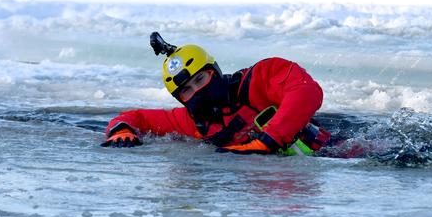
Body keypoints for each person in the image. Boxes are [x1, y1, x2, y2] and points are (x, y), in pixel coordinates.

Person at [101, 32, 331, 155]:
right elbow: (135, 118)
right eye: (187, 91)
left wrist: (267, 141)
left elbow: (307, 91)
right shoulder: (192, 122)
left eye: (201, 79)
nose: (198, 91)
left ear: (216, 72)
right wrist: (120, 131)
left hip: (335, 153)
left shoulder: (258, 80)